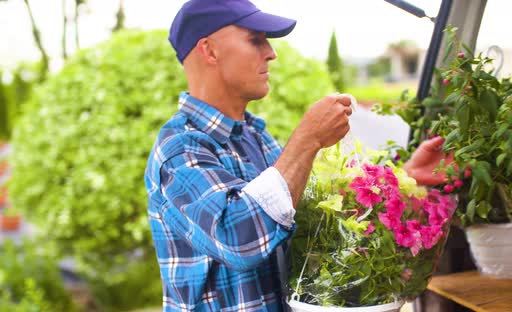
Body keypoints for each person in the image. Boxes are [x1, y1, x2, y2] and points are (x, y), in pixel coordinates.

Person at [145, 1, 452, 311]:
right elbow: (239, 240)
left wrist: (405, 181)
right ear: (209, 50)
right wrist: (306, 140)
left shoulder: (256, 136)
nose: (271, 52)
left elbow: (314, 220)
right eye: (256, 39)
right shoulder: (180, 148)